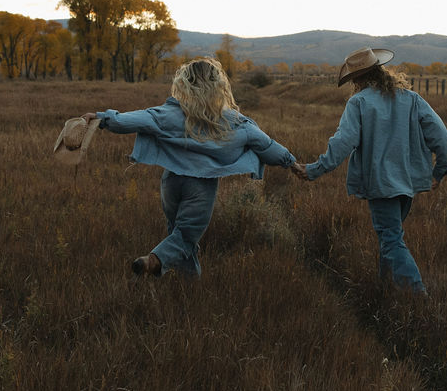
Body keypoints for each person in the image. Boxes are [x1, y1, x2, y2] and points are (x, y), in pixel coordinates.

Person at [82, 57, 297, 278]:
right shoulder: (233, 120)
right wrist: (291, 162)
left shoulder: (168, 113)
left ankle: (188, 284)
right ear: (218, 86)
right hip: (200, 186)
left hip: (171, 182)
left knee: (178, 235)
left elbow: (134, 119)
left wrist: (101, 118)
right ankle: (153, 261)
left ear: (184, 84)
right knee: (185, 237)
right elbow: (265, 144)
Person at [291, 47, 447, 295]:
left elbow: (342, 143)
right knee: (391, 237)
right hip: (408, 184)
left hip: (381, 184)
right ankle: (386, 290)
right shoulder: (412, 99)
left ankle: (418, 297)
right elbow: (441, 138)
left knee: (391, 239)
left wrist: (314, 170)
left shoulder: (359, 102)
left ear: (357, 79)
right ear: (380, 70)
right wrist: (439, 171)